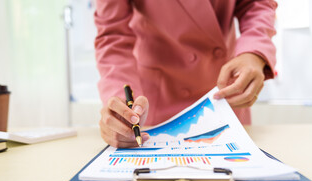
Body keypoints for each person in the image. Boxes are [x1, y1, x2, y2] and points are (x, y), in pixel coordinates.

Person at [94, 0, 277, 148]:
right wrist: (121, 106)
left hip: (224, 94)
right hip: (158, 104)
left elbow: (257, 4)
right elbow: (113, 36)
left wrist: (253, 51)